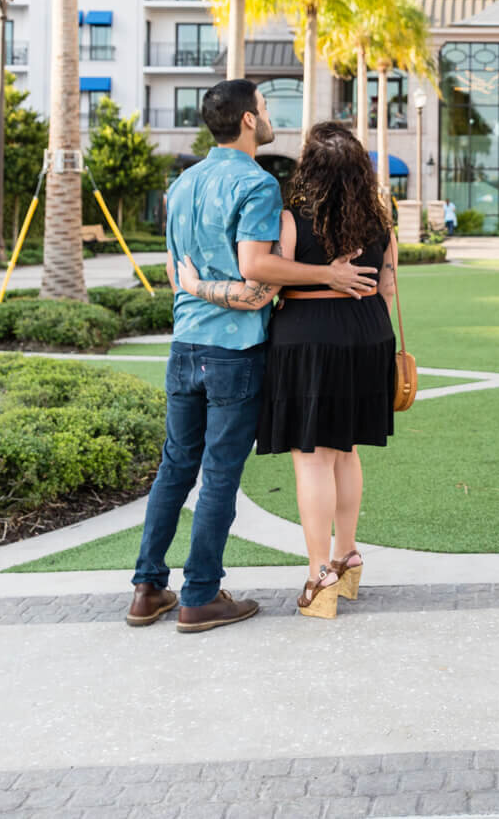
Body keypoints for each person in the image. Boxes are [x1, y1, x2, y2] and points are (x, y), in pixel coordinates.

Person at [131, 80, 374, 635]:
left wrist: (195, 289)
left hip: (183, 344)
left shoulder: (183, 183)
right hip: (234, 351)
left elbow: (175, 273)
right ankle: (198, 595)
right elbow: (257, 273)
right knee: (218, 474)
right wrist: (326, 274)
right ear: (246, 120)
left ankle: (148, 589)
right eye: (264, 108)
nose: (269, 117)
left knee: (174, 468)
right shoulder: (258, 185)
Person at [180, 121, 401, 621]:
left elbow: (265, 277)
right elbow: (388, 289)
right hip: (369, 336)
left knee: (313, 458)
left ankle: (319, 572)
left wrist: (197, 286)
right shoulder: (381, 222)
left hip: (308, 339)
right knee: (345, 451)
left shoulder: (290, 219)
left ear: (310, 166)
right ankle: (348, 556)